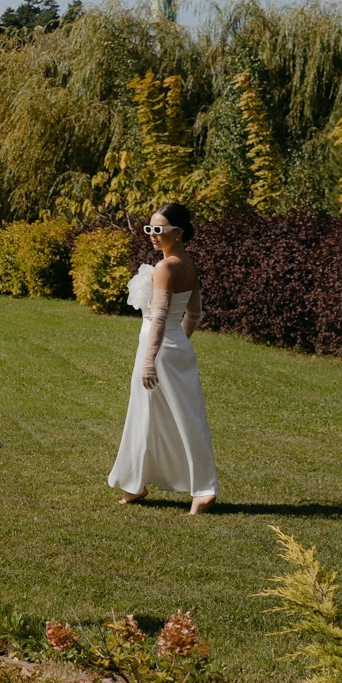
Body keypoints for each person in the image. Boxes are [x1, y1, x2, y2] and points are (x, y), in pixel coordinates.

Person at [107, 202, 219, 513]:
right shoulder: (189, 264)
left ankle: (203, 491)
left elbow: (158, 318)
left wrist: (149, 360)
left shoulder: (165, 267)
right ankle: (136, 483)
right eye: (150, 229)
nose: (153, 235)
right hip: (176, 347)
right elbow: (194, 314)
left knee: (153, 415)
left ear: (178, 233)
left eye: (159, 230)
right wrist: (179, 342)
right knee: (178, 416)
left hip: (156, 350)